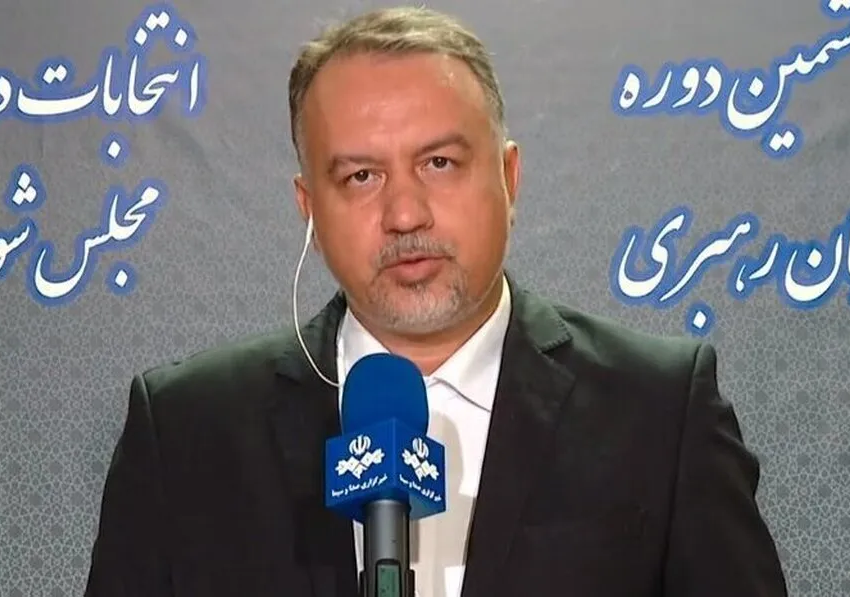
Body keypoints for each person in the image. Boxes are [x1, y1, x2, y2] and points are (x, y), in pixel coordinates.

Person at [83, 6, 788, 597]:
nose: (404, 213)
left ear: (509, 177)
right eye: (361, 176)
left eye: (439, 163)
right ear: (309, 208)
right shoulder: (187, 431)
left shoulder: (660, 412)